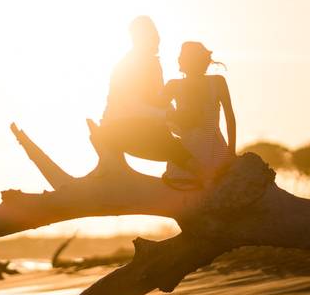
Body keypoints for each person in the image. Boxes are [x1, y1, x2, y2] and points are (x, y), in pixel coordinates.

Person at [99, 16, 197, 173]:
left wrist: (183, 127)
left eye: (155, 34)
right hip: (120, 129)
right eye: (150, 35)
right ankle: (207, 179)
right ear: (137, 38)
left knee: (191, 147)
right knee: (183, 154)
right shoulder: (129, 64)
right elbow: (132, 106)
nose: (155, 38)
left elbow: (160, 100)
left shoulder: (152, 63)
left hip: (143, 126)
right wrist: (170, 116)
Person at [162, 41, 236, 185]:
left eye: (184, 57)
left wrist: (231, 152)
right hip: (187, 153)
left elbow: (230, 117)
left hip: (214, 150)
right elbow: (159, 114)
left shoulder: (217, 82)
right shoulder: (174, 85)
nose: (179, 60)